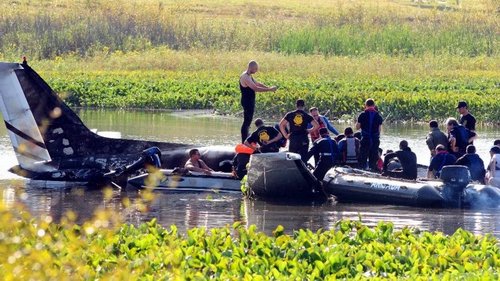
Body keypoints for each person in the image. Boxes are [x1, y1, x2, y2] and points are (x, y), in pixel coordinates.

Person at [239, 60, 277, 143]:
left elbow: (257, 84)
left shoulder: (249, 75)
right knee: (247, 121)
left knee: (248, 121)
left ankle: (246, 139)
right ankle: (244, 141)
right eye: (255, 69)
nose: (256, 71)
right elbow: (255, 88)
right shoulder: (245, 77)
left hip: (250, 101)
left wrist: (268, 87)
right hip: (247, 101)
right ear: (251, 68)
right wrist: (269, 90)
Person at [356, 98, 384, 171]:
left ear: (366, 105)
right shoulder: (378, 116)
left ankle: (362, 170)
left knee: (363, 156)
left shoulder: (362, 114)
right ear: (374, 105)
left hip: (365, 139)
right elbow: (379, 130)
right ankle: (372, 170)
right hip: (375, 140)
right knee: (373, 156)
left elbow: (357, 127)